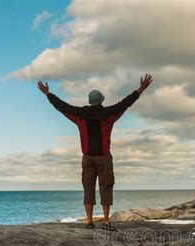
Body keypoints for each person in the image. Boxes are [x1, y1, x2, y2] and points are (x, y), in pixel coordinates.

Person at [37, 74, 153, 230]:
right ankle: (106, 221)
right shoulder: (108, 115)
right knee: (106, 188)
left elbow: (61, 106)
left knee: (88, 188)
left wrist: (47, 94)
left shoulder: (80, 116)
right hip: (104, 157)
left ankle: (89, 222)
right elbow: (125, 103)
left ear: (90, 102)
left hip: (88, 158)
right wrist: (141, 89)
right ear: (101, 101)